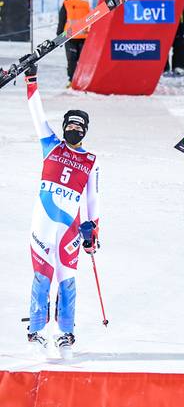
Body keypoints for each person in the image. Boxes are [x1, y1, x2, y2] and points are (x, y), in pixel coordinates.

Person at [23, 63, 100, 359]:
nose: (73, 129)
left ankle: (65, 332)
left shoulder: (91, 161)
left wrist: (93, 230)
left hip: (70, 228)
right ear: (64, 125)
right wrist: (32, 81)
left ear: (85, 131)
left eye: (79, 126)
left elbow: (94, 200)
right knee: (42, 275)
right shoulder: (51, 145)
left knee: (67, 278)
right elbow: (36, 113)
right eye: (70, 124)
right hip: (43, 221)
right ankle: (37, 330)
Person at [57, 0, 90, 85]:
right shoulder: (85, 3)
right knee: (83, 60)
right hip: (84, 36)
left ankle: (72, 81)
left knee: (72, 61)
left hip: (70, 36)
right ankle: (84, 81)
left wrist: (59, 38)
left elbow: (62, 21)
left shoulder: (66, 3)